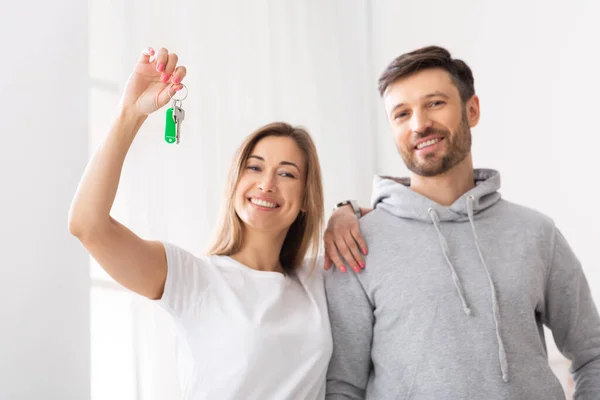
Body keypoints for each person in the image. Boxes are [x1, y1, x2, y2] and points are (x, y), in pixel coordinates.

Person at [323, 46, 600, 399]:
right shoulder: (355, 243)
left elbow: (593, 355)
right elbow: (343, 385)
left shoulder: (536, 234)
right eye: (402, 113)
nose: (419, 124)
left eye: (435, 103)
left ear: (472, 110)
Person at [68, 47, 333, 399]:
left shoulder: (318, 280)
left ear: (305, 199)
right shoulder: (194, 278)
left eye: (286, 173)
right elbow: (88, 225)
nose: (267, 184)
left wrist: (346, 212)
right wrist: (129, 114)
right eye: (254, 167)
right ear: (235, 183)